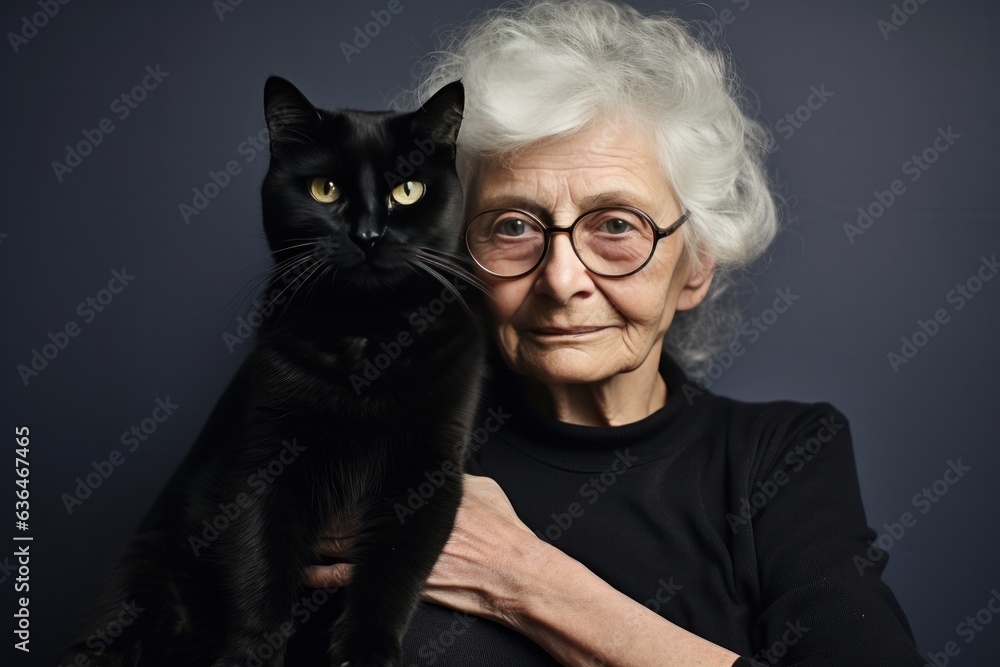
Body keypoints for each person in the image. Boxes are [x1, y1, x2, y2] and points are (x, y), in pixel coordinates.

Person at [302, 1, 926, 664]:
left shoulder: (780, 456)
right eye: (513, 225)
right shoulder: (374, 432)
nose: (562, 279)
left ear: (696, 262)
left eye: (617, 225)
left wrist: (520, 577)